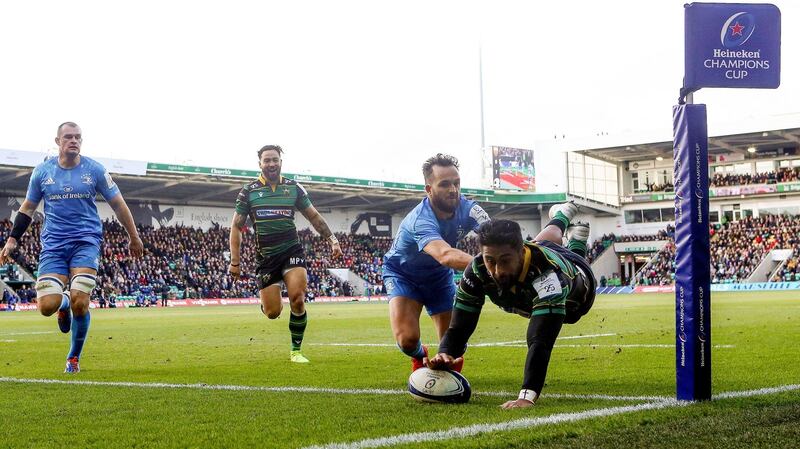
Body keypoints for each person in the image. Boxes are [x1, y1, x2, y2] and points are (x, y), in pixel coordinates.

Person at [0, 122, 143, 373]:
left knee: (81, 301)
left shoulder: (95, 170)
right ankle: (62, 303)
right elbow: (27, 209)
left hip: (86, 242)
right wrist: (12, 239)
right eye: (68, 137)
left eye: (78, 137)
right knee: (47, 307)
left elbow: (119, 204)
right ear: (58, 141)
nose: (74, 141)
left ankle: (73, 358)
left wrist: (134, 236)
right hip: (53, 246)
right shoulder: (42, 172)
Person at [429, 208, 596, 409]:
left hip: (578, 292)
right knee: (544, 241)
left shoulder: (548, 277)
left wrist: (527, 396)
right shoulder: (476, 270)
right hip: (537, 257)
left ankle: (577, 245)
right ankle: (562, 217)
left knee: (563, 253)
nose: (497, 271)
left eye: (505, 261)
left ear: (521, 250)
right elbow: (459, 327)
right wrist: (446, 352)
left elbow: (540, 342)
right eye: (490, 260)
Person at [229, 145, 342, 363]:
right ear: (259, 163)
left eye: (275, 160)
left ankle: (296, 351)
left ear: (281, 161)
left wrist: (333, 240)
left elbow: (314, 217)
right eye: (267, 160)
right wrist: (235, 261)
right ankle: (266, 303)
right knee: (273, 312)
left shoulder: (293, 188)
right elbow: (236, 226)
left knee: (298, 299)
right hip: (266, 257)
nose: (271, 164)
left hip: (292, 250)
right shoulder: (248, 191)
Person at [382, 154, 490, 372]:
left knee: (453, 345)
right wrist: (491, 267)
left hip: (438, 277)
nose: (453, 190)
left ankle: (447, 371)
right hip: (403, 275)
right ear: (429, 189)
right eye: (445, 184)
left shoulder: (470, 209)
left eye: (457, 183)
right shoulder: (420, 219)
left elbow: (496, 234)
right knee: (407, 341)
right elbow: (446, 255)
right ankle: (420, 356)